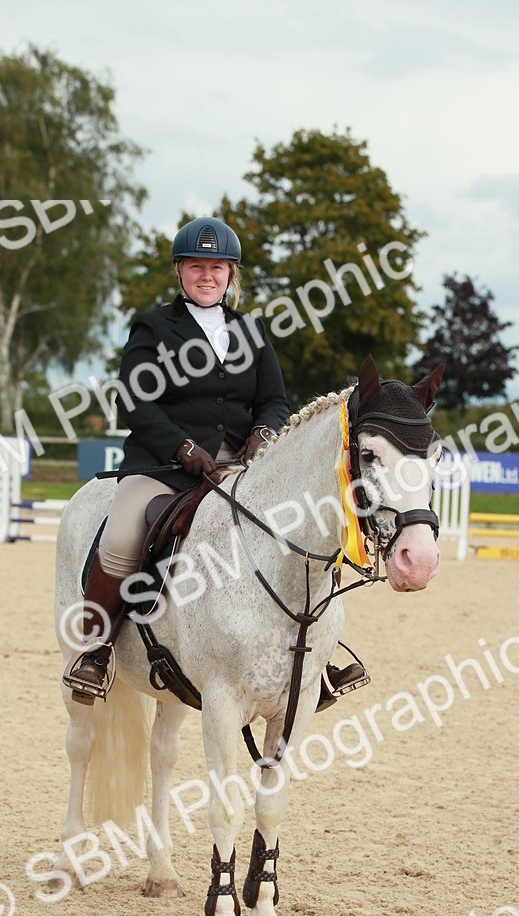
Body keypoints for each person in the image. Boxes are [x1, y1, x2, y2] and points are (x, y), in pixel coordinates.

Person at [63, 216, 368, 709]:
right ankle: (95, 652)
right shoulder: (154, 327)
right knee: (121, 540)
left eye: (218, 268)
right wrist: (183, 448)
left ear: (232, 274)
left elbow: (274, 399)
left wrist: (262, 437)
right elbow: (136, 404)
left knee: (299, 531)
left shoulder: (251, 330)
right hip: (161, 467)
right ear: (180, 271)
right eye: (197, 266)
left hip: (238, 469)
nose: (208, 276)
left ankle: (316, 657)